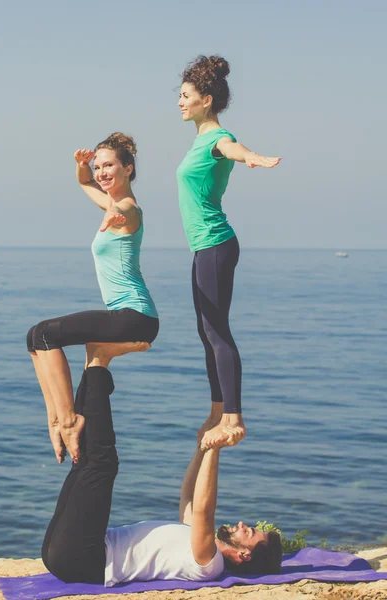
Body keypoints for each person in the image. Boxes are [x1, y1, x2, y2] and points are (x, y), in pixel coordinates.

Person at [42, 364, 282, 586]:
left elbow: (203, 509)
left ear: (244, 555)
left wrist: (215, 449)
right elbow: (188, 497)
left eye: (248, 532)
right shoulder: (199, 544)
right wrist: (203, 447)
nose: (242, 524)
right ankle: (93, 367)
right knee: (85, 463)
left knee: (101, 465)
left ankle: (98, 367)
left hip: (84, 558)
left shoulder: (209, 562)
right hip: (70, 553)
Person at [27, 133, 159, 464]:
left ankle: (70, 420)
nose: (101, 172)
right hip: (127, 315)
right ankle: (56, 419)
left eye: (109, 165)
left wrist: (118, 220)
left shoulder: (127, 209)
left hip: (135, 315)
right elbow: (85, 183)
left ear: (128, 169)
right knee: (34, 338)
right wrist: (82, 166)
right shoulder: (110, 202)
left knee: (45, 334)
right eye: (99, 166)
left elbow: (128, 217)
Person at [177, 55, 281, 450]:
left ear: (206, 100)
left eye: (186, 96)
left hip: (216, 245)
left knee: (218, 332)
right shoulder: (198, 141)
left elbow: (232, 148)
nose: (179, 103)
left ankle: (234, 417)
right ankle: (218, 410)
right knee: (206, 333)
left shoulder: (218, 138)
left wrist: (251, 156)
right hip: (204, 247)